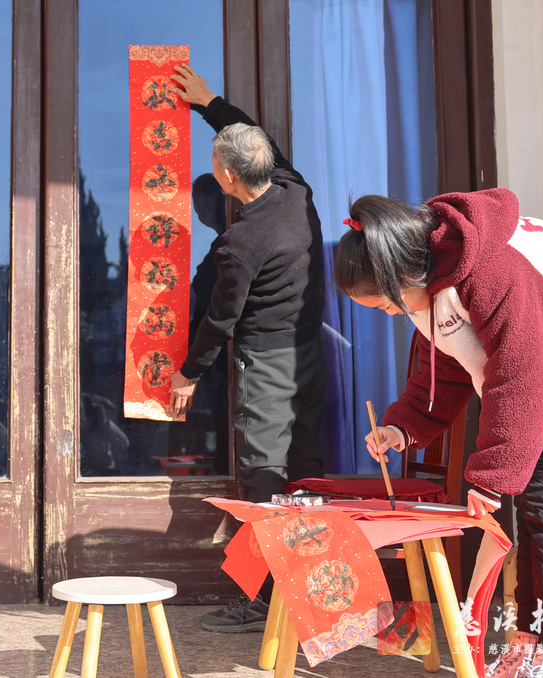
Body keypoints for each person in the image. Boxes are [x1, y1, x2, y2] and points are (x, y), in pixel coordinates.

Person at [334, 189, 543, 677]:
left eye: (382, 305)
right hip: (539, 364)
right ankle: (530, 643)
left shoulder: (490, 269)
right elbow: (449, 362)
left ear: (401, 275)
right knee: (533, 508)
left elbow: (520, 374)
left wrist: (490, 477)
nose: (388, 314)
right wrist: (402, 425)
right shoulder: (428, 276)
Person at [168, 66, 327, 632]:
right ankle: (313, 590)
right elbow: (264, 140)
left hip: (268, 364)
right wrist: (209, 102)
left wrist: (188, 374)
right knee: (306, 470)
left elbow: (221, 320)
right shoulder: (296, 191)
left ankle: (265, 601)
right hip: (309, 355)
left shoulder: (241, 242)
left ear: (227, 177)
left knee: (263, 475)